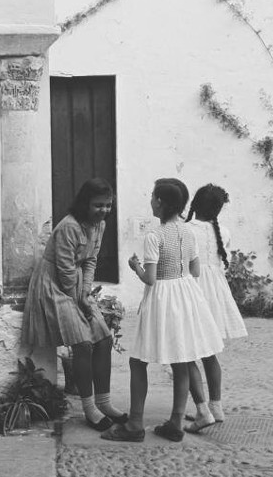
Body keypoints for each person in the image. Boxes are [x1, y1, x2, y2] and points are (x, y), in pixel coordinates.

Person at [101, 178, 224, 443]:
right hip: (186, 294)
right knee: (181, 360)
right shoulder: (188, 233)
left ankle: (135, 424)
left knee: (138, 361)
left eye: (152, 196)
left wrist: (136, 268)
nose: (150, 201)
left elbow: (150, 279)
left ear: (161, 202)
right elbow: (195, 270)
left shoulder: (154, 236)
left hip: (162, 298)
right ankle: (176, 422)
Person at [22, 177, 126, 431]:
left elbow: (90, 260)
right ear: (85, 203)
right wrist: (79, 301)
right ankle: (89, 409)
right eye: (98, 205)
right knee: (82, 342)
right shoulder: (69, 227)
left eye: (108, 205)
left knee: (103, 338)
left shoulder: (99, 225)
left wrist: (86, 293)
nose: (103, 210)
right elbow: (65, 269)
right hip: (54, 285)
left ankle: (104, 402)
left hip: (77, 285)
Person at [184, 183, 247, 432]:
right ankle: (216, 405)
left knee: (186, 352)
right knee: (210, 352)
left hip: (193, 291)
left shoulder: (186, 230)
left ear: (194, 204)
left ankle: (202, 409)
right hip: (216, 294)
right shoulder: (224, 231)